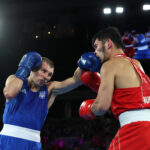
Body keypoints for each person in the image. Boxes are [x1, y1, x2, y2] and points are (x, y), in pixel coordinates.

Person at [0, 51, 101, 150]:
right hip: (10, 139)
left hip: (34, 143)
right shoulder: (14, 79)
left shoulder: (50, 88)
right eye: (43, 71)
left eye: (49, 74)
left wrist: (83, 65)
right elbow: (9, 93)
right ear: (33, 68)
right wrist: (24, 68)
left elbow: (75, 80)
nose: (46, 77)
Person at [78, 27, 150, 149]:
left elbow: (102, 107)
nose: (94, 52)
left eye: (96, 46)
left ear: (108, 43)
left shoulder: (109, 65)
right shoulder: (136, 63)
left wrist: (91, 108)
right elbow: (132, 96)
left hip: (135, 130)